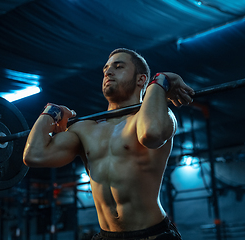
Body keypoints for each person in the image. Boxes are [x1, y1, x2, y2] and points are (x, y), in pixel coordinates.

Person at [23, 48, 194, 239]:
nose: (108, 72)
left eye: (118, 67)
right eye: (106, 69)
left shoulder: (155, 117)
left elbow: (151, 134)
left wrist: (160, 82)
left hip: (153, 235)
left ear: (141, 79)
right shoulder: (84, 129)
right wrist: (50, 112)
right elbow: (34, 155)